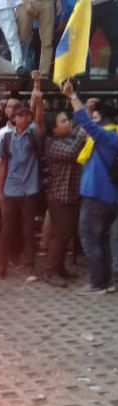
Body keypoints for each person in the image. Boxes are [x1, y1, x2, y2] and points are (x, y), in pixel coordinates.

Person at [63, 81, 118, 294]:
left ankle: (96, 284)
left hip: (96, 195)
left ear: (102, 119)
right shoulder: (114, 136)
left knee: (89, 239)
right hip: (110, 198)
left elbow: (85, 123)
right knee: (102, 239)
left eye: (96, 116)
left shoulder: (106, 136)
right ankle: (106, 283)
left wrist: (72, 96)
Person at [0, 76, 45, 283]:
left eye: (26, 115)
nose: (23, 118)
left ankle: (30, 268)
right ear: (14, 119)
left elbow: (40, 119)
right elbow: (3, 165)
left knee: (28, 231)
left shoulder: (33, 134)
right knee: (6, 231)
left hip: (29, 190)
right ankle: (0, 267)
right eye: (20, 115)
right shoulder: (6, 138)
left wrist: (38, 96)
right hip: (11, 190)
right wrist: (1, 192)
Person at [42, 111, 87, 287]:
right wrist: (83, 134)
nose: (67, 123)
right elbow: (72, 152)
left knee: (65, 235)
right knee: (60, 235)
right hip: (59, 196)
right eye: (63, 121)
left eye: (67, 120)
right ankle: (51, 271)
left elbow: (77, 134)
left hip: (71, 195)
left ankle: (60, 269)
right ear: (54, 128)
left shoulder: (68, 138)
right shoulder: (51, 143)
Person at [17, 0, 55, 75]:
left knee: (47, 42)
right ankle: (17, 69)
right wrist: (26, 3)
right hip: (26, 3)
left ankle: (43, 75)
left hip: (47, 3)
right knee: (20, 38)